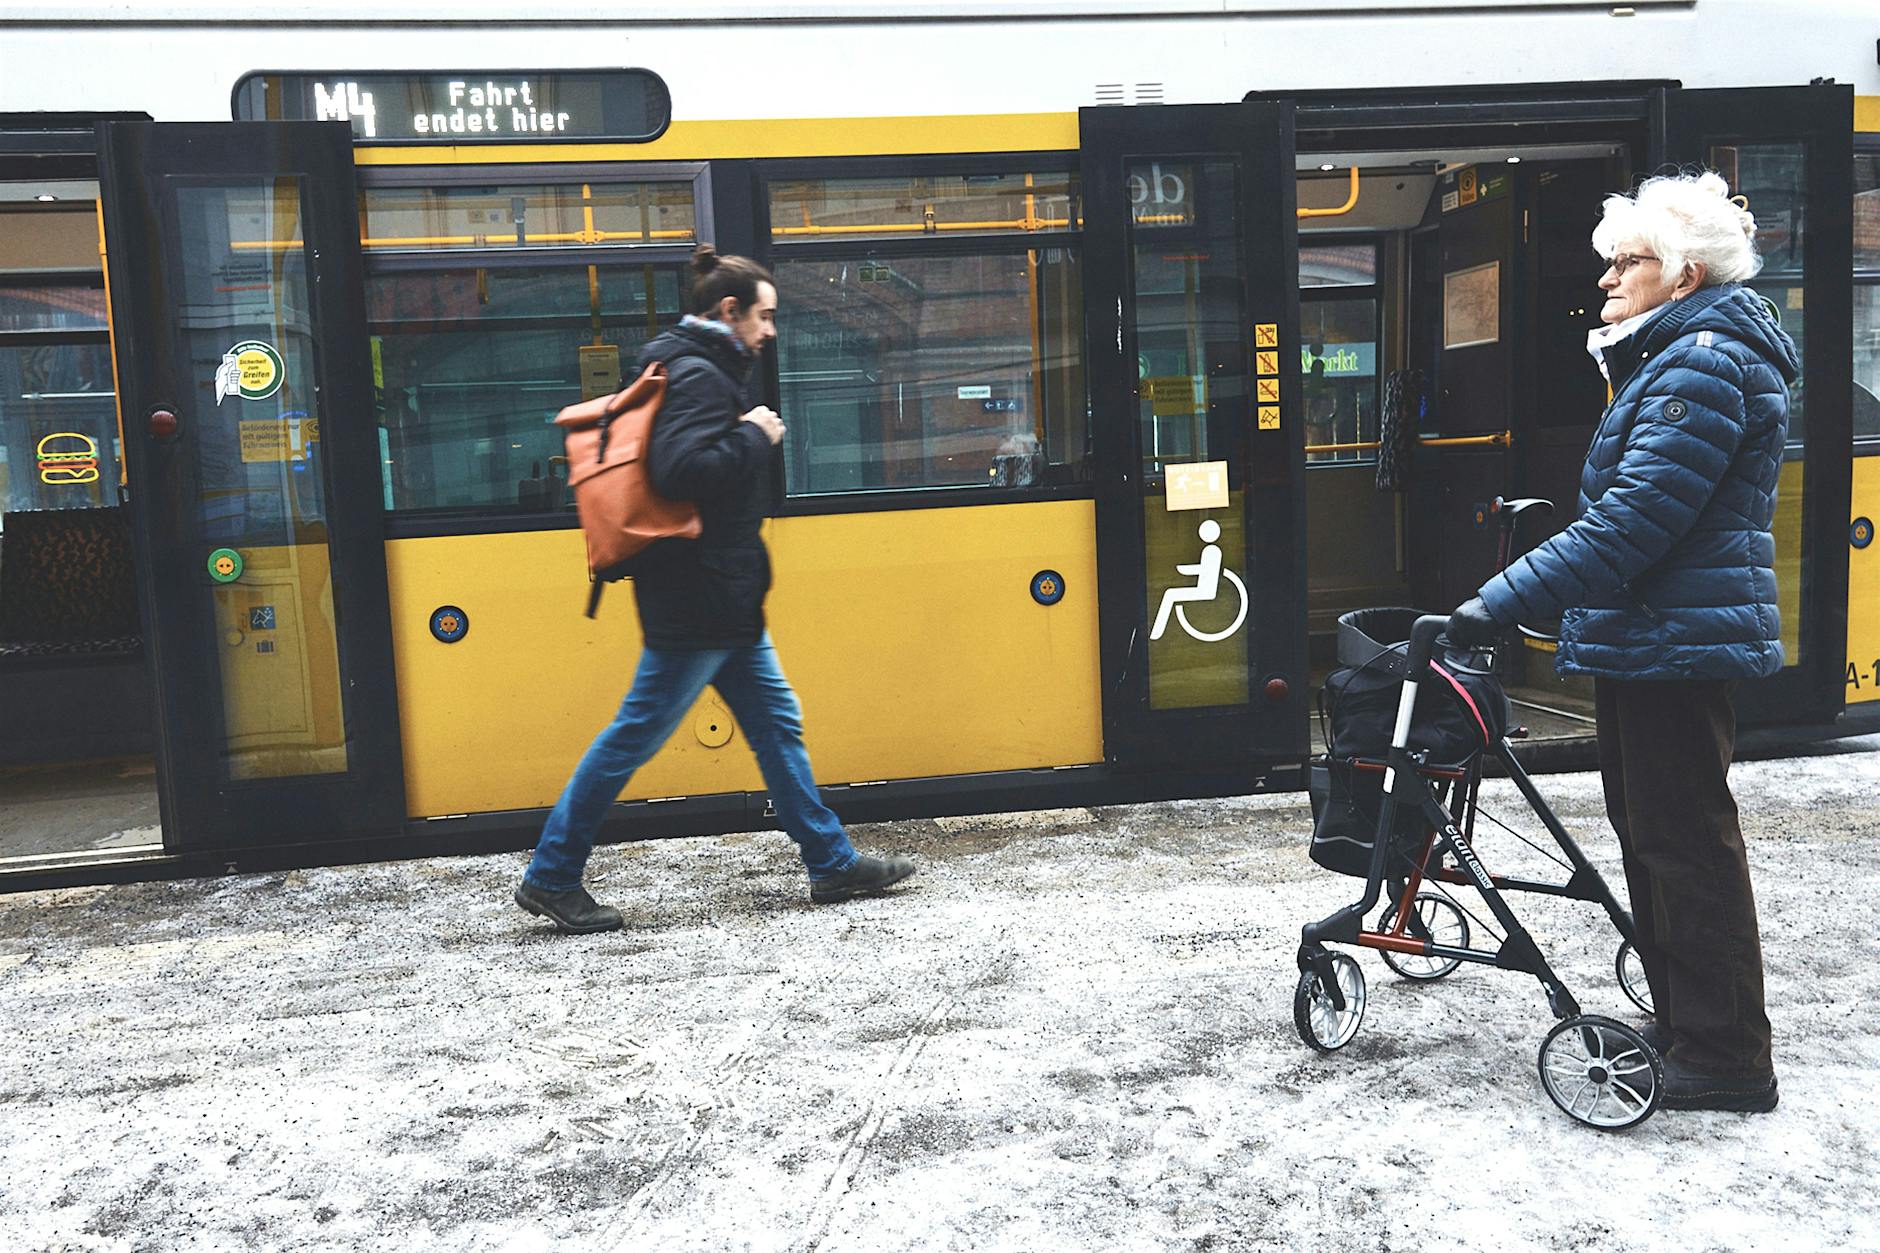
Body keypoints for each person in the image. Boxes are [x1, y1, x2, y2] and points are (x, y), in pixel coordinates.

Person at [1447, 171, 1794, 1114]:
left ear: (1681, 275)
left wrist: (1493, 603)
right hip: (1654, 638)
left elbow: (1633, 523)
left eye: (1623, 263)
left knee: (1684, 846)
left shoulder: (1702, 365)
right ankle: (1688, 1024)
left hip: (1674, 643)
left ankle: (1724, 1055)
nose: (1604, 281)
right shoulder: (1677, 357)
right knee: (1657, 839)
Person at [515, 245, 915, 932]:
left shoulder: (689, 364)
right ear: (728, 312)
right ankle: (552, 874)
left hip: (721, 600)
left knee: (775, 724)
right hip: (699, 599)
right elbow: (679, 471)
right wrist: (753, 435)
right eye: (764, 316)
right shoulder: (699, 374)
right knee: (633, 736)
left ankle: (830, 860)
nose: (771, 331)